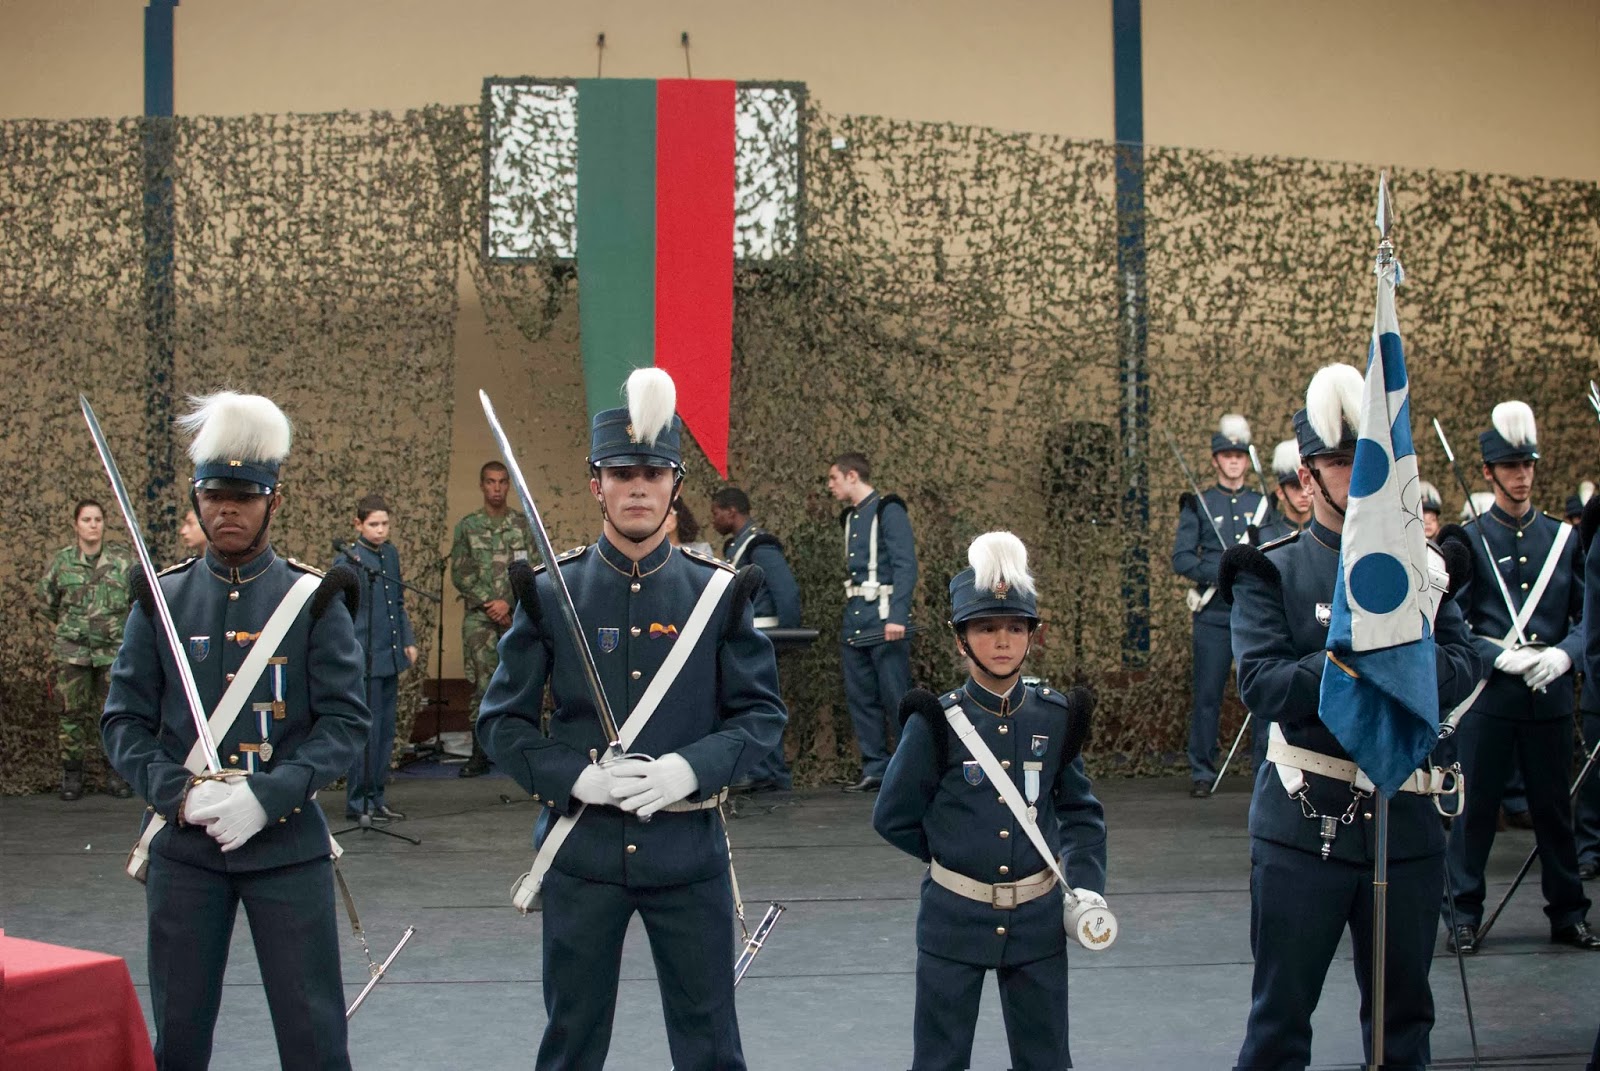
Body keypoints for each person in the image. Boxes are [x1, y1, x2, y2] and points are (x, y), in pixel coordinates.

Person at [477, 368, 786, 1071]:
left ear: (676, 485)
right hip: (583, 854)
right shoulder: (554, 591)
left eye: (655, 471)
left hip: (687, 855)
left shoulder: (719, 594)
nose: (639, 486)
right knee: (571, 1043)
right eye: (622, 473)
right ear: (597, 484)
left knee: (710, 1046)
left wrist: (689, 767)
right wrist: (575, 780)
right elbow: (503, 723)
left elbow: (761, 719)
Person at [1222, 363, 1485, 1070]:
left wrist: (1401, 663)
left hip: (1405, 822)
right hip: (1304, 827)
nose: (1354, 475)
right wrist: (1355, 657)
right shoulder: (1269, 570)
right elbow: (1264, 684)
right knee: (1278, 1027)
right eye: (1340, 461)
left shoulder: (1423, 569)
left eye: (1365, 459)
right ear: (1307, 477)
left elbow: (1463, 661)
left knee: (1404, 1028)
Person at [101, 391, 369, 1070]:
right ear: (196, 499)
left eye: (244, 496)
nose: (227, 509)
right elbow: (124, 722)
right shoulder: (160, 598)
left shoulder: (315, 597)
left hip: (286, 846)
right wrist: (178, 794)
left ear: (273, 500)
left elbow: (344, 723)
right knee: (180, 1038)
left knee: (313, 1037)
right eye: (214, 494)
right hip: (187, 852)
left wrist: (268, 796)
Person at [873, 531, 1107, 1071]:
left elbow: (1080, 812)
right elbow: (893, 816)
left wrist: (1088, 887)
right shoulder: (937, 720)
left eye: (1015, 627)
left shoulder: (1055, 715)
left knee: (1046, 1058)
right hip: (954, 916)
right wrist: (956, 852)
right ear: (960, 640)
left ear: (1033, 635)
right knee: (940, 1059)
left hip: (1039, 920)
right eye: (985, 628)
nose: (1002, 640)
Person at [1442, 400, 1600, 952]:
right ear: (1488, 472)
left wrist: (1564, 656)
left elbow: (1587, 616)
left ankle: (1568, 912)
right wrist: (1494, 655)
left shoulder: (1563, 539)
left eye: (1528, 465)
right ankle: (1463, 912)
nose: (1522, 476)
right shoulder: (1469, 537)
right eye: (1510, 467)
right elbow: (1452, 617)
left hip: (1549, 694)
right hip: (1492, 695)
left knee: (1555, 811)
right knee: (1475, 811)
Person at [1172, 414, 1266, 798]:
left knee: (1264, 693)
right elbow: (1182, 559)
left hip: (1254, 613)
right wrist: (1221, 570)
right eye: (1226, 455)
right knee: (1208, 695)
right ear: (1215, 460)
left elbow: (1273, 552)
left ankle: (1265, 770)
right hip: (1212, 614)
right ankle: (1202, 771)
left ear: (1246, 461)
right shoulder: (1199, 503)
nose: (1233, 462)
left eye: (1239, 456)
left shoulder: (1262, 506)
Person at [828, 451, 918, 792]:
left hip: (883, 619)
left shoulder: (887, 509)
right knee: (860, 696)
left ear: (853, 476)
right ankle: (876, 767)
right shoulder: (850, 517)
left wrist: (897, 616)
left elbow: (905, 565)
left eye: (834, 478)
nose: (831, 485)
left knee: (896, 694)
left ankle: (912, 766)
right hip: (856, 619)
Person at [37, 498, 133, 800]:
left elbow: (136, 603)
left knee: (114, 714)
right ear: (76, 525)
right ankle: (72, 775)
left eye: (98, 520)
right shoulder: (62, 562)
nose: (93, 525)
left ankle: (116, 774)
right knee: (71, 714)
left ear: (104, 525)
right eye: (86, 520)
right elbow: (47, 603)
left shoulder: (122, 563)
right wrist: (72, 630)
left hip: (111, 653)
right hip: (73, 652)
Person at [711, 486, 804, 791]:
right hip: (746, 635)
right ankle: (763, 770)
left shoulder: (760, 546)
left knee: (762, 704)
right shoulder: (737, 546)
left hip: (765, 634)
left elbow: (785, 591)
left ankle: (771, 772)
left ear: (731, 512)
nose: (713, 520)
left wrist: (788, 635)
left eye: (716, 513)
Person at [335, 493, 418, 821]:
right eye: (373, 524)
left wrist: (407, 640)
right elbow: (340, 612)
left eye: (385, 524)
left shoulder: (390, 554)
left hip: (389, 653)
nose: (381, 530)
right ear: (358, 524)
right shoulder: (348, 561)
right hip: (364, 654)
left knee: (385, 733)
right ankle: (359, 802)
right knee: (367, 733)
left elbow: (397, 602)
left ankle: (377, 796)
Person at [450, 460, 534, 776]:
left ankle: (519, 751)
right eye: (490, 482)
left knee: (521, 681)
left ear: (508, 485)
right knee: (483, 685)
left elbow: (533, 570)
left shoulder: (523, 525)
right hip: (480, 620)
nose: (496, 488)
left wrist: (508, 603)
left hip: (516, 616)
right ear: (482, 485)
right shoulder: (467, 526)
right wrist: (491, 603)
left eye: (501, 482)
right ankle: (480, 753)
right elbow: (460, 572)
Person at [1254, 439, 1311, 546]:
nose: (1304, 494)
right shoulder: (1265, 535)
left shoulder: (1327, 531)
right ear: (1280, 492)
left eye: (1307, 485)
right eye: (1295, 487)